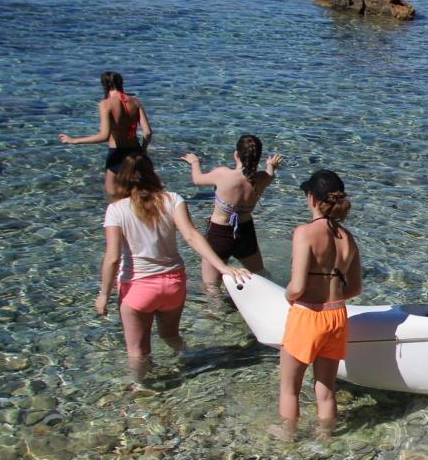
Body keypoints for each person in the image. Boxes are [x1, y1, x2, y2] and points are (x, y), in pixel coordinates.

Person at [97, 154, 249, 376]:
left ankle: (142, 390)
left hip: (137, 287)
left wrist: (103, 294)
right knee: (171, 336)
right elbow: (191, 236)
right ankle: (188, 365)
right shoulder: (173, 200)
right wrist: (223, 267)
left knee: (137, 351)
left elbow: (112, 258)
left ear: (123, 179)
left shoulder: (116, 210)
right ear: (152, 173)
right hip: (173, 286)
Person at [277, 170, 363, 440]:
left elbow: (298, 285)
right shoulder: (347, 238)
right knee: (326, 389)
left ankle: (287, 436)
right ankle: (325, 437)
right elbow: (356, 288)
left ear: (312, 199)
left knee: (289, 388)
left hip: (307, 315)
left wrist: (288, 296)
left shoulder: (304, 232)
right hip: (336, 316)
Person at [181, 136, 283, 290]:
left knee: (211, 287)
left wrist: (194, 162)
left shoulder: (223, 174)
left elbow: (197, 179)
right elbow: (270, 174)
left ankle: (217, 313)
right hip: (245, 233)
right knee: (260, 274)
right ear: (258, 157)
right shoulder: (263, 178)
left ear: (236, 154)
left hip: (219, 233)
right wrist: (271, 165)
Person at [59, 71, 153, 200]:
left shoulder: (105, 104)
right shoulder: (135, 102)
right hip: (136, 152)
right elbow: (147, 132)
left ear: (105, 85)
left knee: (113, 197)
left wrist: (73, 140)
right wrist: (143, 149)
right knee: (140, 196)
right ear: (121, 83)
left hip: (117, 154)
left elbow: (103, 136)